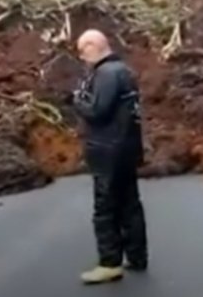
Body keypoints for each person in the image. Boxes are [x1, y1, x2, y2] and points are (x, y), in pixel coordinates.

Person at [69, 29, 148, 285]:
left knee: (105, 209)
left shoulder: (105, 74)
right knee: (130, 204)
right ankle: (137, 256)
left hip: (107, 150)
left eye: (82, 51)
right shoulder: (124, 71)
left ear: (93, 47)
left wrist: (76, 100)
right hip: (127, 147)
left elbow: (96, 111)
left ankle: (109, 263)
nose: (82, 58)